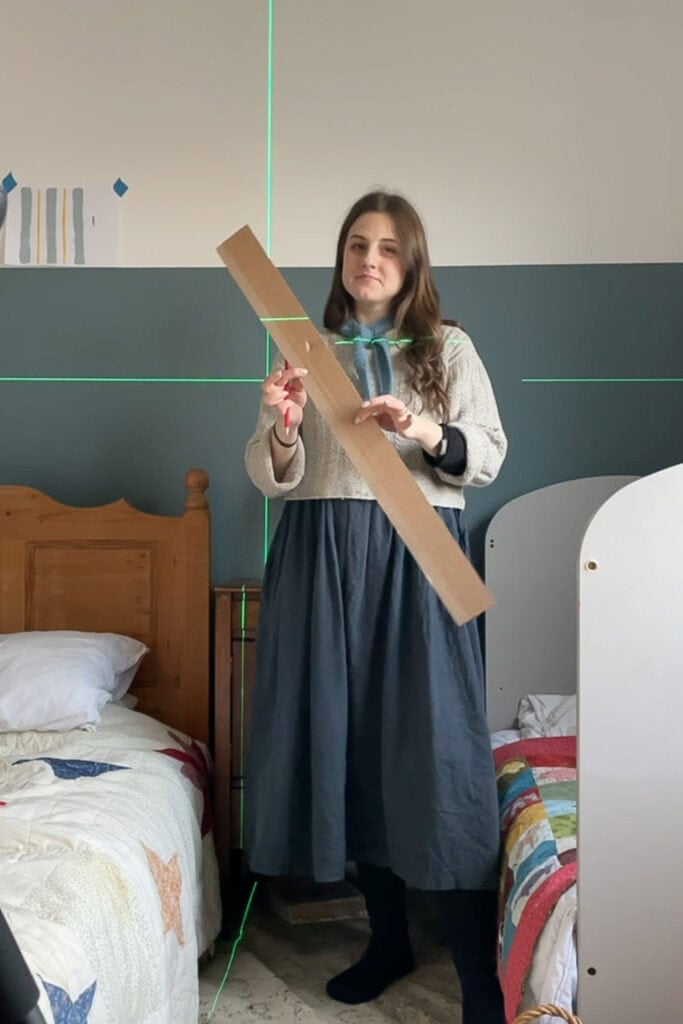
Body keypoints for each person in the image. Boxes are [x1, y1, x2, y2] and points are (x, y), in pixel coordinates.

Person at [244, 190, 508, 1024]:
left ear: (411, 261)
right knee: (348, 749)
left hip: (417, 565)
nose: (369, 259)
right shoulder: (305, 348)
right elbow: (270, 473)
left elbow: (487, 455)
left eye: (388, 248)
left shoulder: (448, 347)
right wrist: (282, 427)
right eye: (357, 244)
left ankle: (475, 971)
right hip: (320, 563)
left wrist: (422, 430)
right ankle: (387, 939)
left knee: (436, 753)